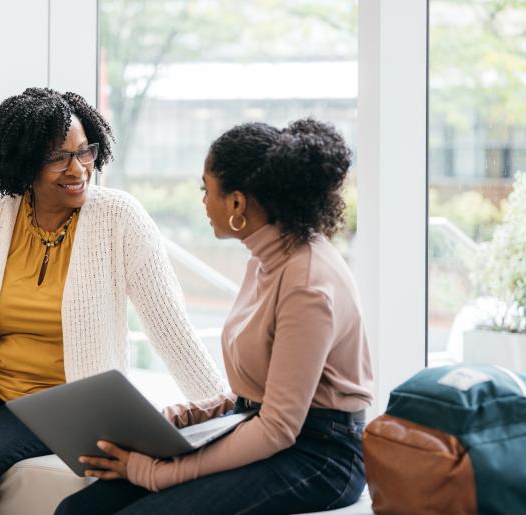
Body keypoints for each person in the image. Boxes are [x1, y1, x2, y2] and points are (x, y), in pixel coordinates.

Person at [0, 88, 225, 515]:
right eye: (57, 157)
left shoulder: (119, 217)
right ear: (23, 161)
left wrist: (225, 415)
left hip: (66, 399)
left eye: (85, 151)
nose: (78, 168)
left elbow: (169, 326)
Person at [57, 119, 374, 515]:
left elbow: (277, 427)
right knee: (79, 510)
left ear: (237, 203)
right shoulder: (267, 259)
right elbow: (259, 396)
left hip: (321, 455)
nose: (203, 202)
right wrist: (177, 419)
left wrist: (156, 473)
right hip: (261, 425)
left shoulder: (307, 283)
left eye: (206, 190)